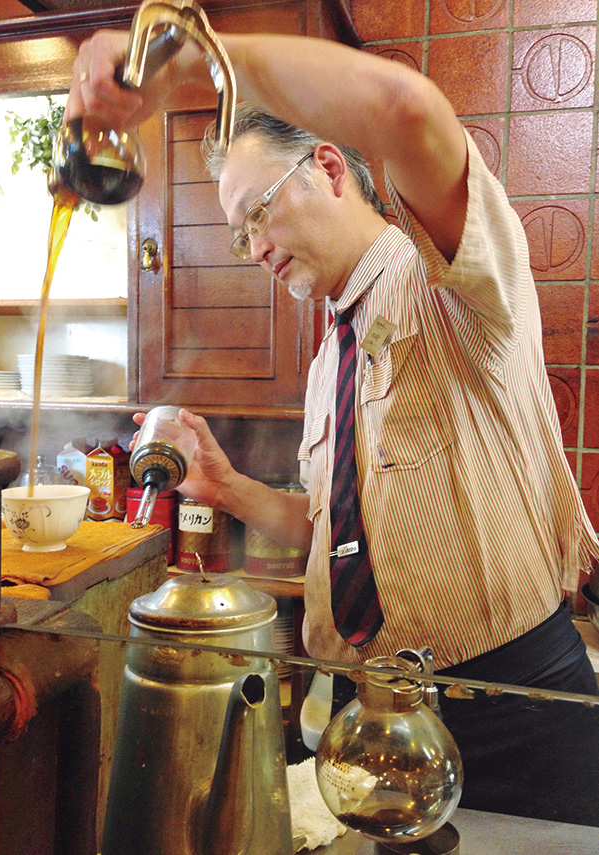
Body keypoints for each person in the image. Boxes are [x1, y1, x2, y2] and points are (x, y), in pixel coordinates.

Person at [65, 27, 599, 826]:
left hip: (512, 713)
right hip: (373, 718)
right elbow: (334, 530)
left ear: (325, 166)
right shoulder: (331, 358)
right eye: (239, 233)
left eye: (257, 213)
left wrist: (195, 57)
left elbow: (402, 108)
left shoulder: (451, 282)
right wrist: (230, 487)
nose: (251, 248)